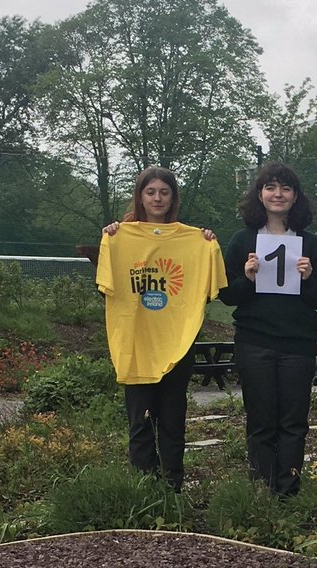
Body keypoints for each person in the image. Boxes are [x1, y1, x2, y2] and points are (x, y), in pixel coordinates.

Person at [97, 167, 226, 489]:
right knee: (139, 422)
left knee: (172, 420)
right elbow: (105, 288)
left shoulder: (196, 241)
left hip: (177, 346)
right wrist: (113, 239)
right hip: (135, 345)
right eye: (150, 191)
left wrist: (205, 243)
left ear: (173, 197)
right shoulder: (117, 238)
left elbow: (214, 288)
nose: (157, 198)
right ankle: (144, 488)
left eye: (164, 192)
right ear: (140, 196)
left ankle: (172, 487)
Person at [219, 163, 317, 496]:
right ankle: (261, 491)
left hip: (296, 343)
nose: (278, 194)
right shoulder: (242, 241)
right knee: (260, 420)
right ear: (260, 194)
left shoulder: (308, 243)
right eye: (271, 187)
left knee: (293, 422)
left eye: (285, 188)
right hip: (254, 341)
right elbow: (227, 296)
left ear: (295, 197)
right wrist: (248, 277)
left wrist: (310, 276)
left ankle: (288, 491)